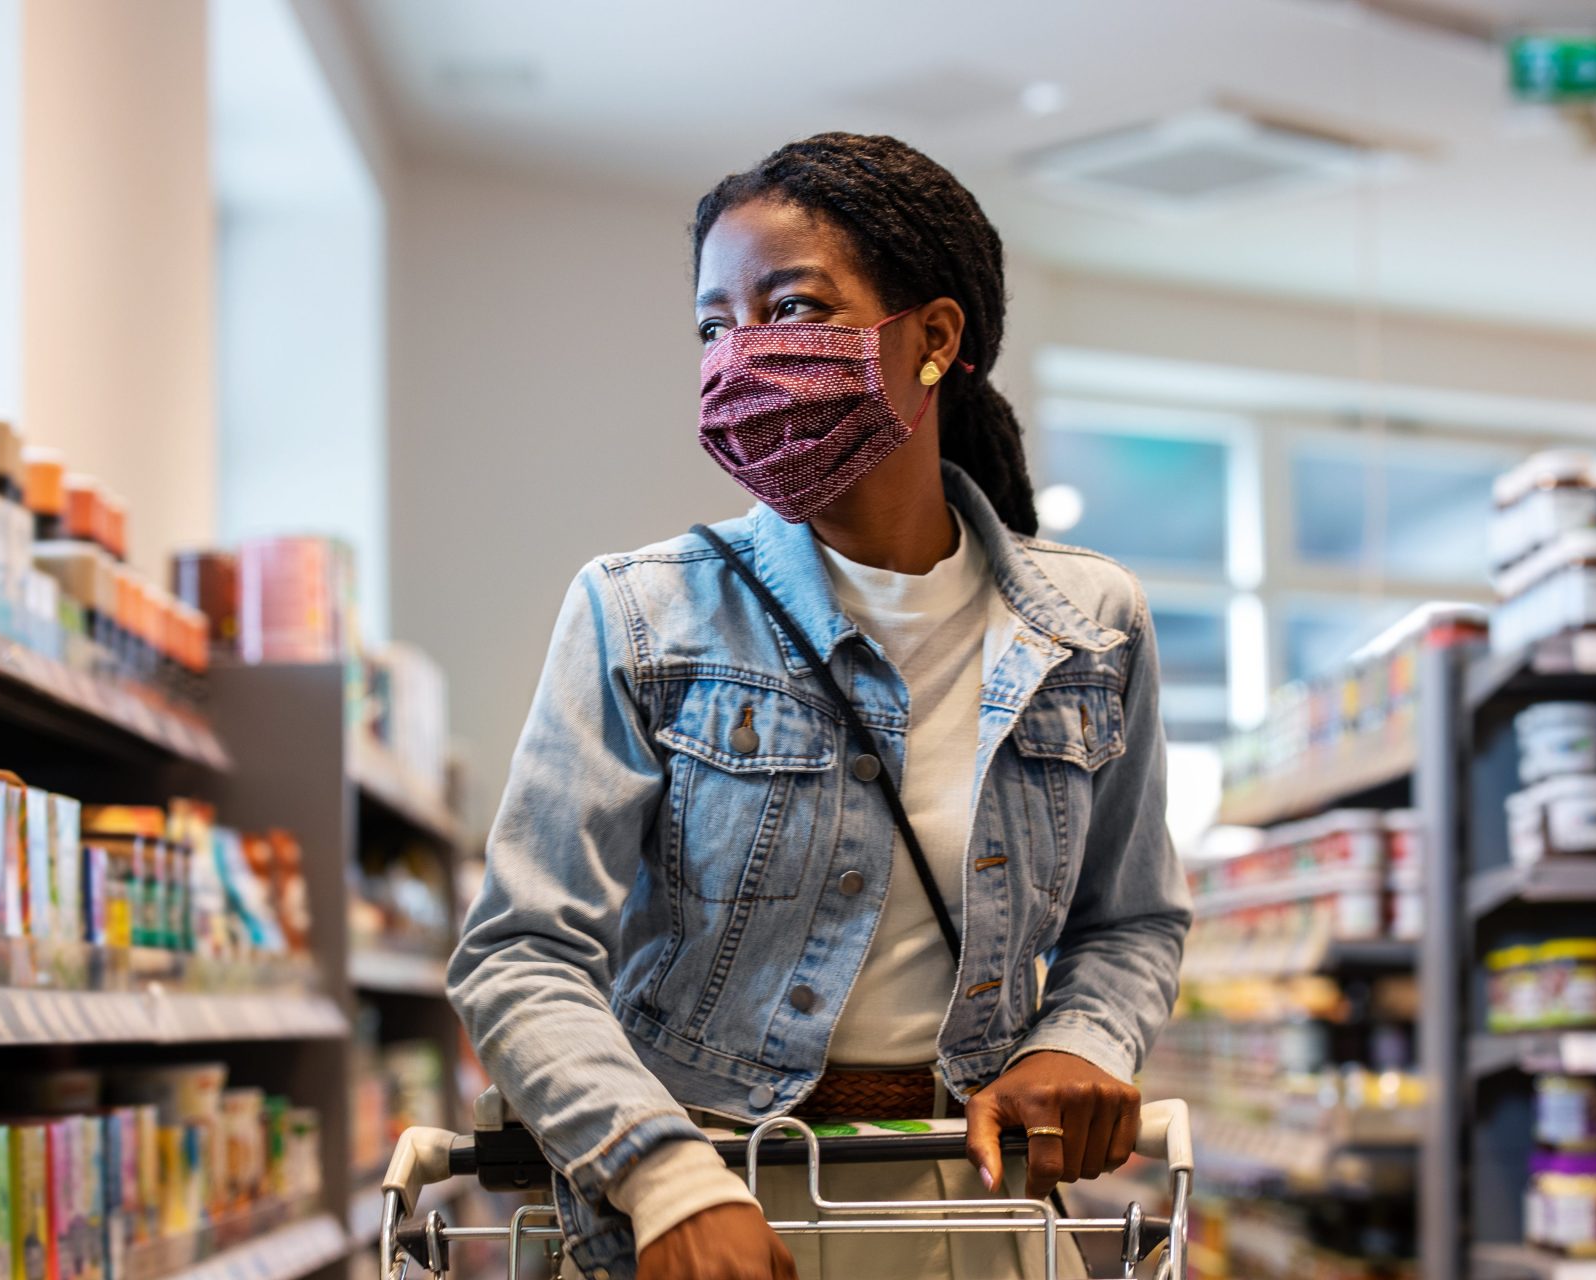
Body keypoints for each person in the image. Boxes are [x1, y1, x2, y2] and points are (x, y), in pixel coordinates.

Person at [448, 132, 1189, 1280]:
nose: (739, 355)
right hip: (703, 1212)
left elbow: (1130, 918)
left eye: (788, 308)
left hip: (972, 1210)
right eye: (711, 325)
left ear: (934, 339)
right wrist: (664, 1176)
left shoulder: (1091, 625)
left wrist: (1077, 1042)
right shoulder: (641, 613)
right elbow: (520, 950)